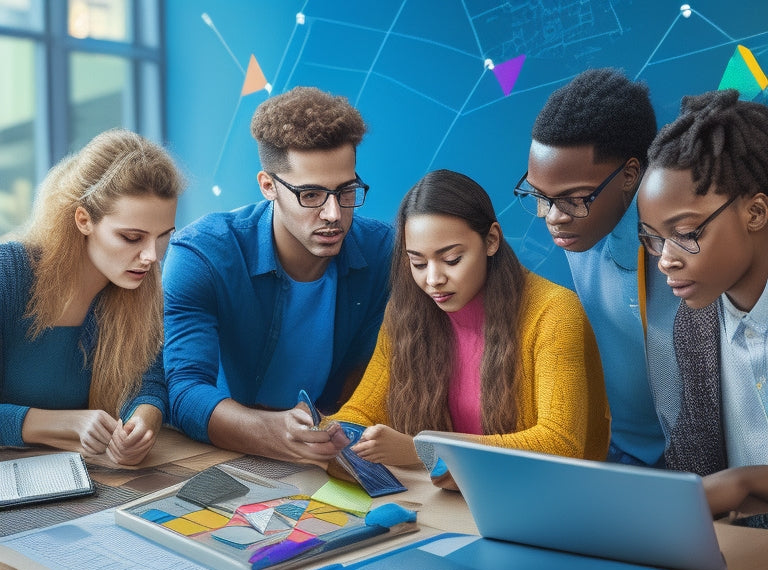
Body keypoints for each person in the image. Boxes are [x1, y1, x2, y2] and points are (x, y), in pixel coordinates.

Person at [328, 169, 610, 489]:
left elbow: (560, 444)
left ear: (491, 240)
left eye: (451, 259)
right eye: (418, 263)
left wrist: (424, 450)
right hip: (447, 500)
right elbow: (361, 410)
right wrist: (328, 434)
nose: (433, 279)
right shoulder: (406, 312)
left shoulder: (556, 314)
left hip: (546, 503)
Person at [162, 86, 394, 464]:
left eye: (346, 190)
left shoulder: (383, 251)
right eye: (311, 195)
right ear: (268, 186)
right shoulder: (201, 255)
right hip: (219, 454)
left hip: (332, 451)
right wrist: (272, 431)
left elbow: (371, 373)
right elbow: (185, 391)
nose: (334, 214)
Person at [513, 67, 677, 468]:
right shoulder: (579, 231)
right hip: (618, 457)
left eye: (573, 199)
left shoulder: (680, 246)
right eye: (539, 196)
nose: (552, 217)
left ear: (630, 175)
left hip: (705, 468)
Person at [0, 128, 184, 465]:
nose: (152, 256)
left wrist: (144, 421)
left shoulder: (139, 287)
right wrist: (58, 423)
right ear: (84, 220)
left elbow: (148, 381)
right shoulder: (8, 272)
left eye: (162, 237)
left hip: (80, 482)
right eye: (132, 237)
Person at [637, 89, 768, 518]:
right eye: (654, 239)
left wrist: (747, 481)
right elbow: (692, 462)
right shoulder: (694, 327)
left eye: (687, 232)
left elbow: (730, 488)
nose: (666, 259)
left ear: (755, 213)